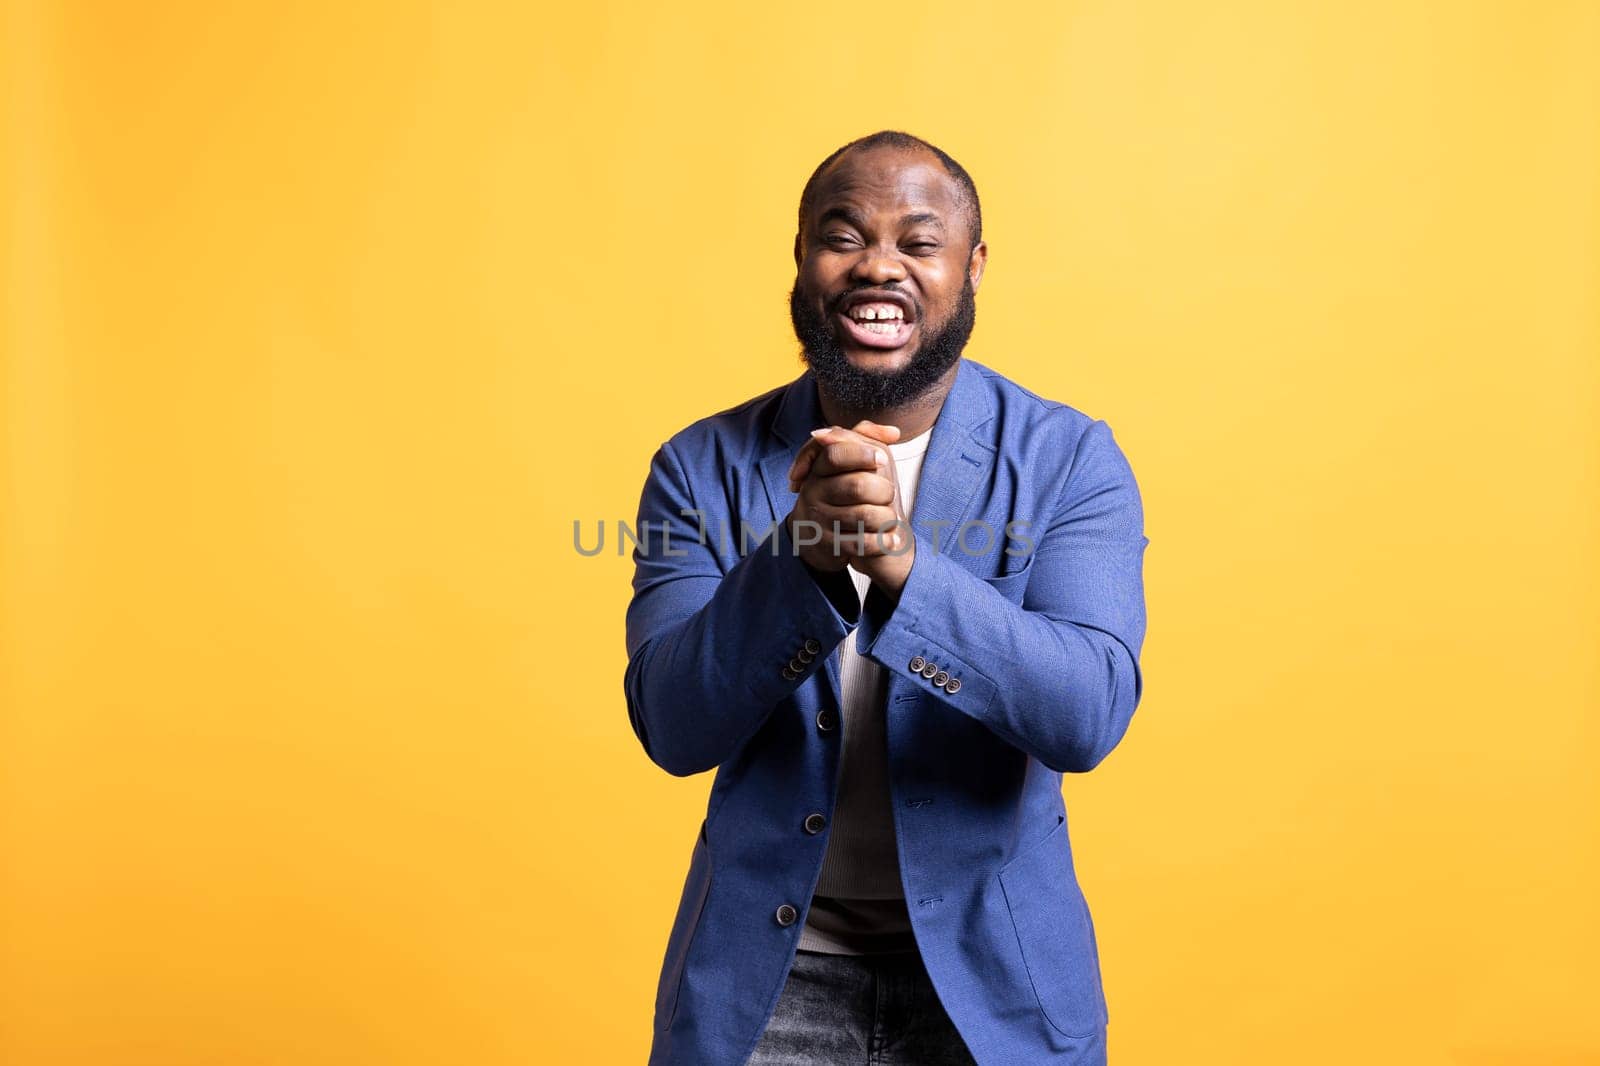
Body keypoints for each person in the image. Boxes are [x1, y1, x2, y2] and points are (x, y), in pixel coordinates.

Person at [623, 129, 1149, 1065]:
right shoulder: (696, 466)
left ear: (972, 267)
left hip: (997, 994)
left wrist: (906, 569)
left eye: (918, 241)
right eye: (844, 235)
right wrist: (803, 565)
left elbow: (1087, 713)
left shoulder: (1073, 460)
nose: (880, 267)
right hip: (762, 991)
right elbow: (671, 725)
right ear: (801, 257)